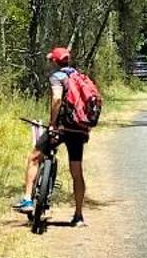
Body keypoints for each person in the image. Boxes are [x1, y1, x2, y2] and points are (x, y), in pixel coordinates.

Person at [16, 46, 92, 227]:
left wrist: (52, 123)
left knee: (34, 157)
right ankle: (79, 215)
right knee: (76, 172)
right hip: (79, 130)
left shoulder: (57, 77)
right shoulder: (79, 77)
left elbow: (57, 99)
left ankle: (27, 200)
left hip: (61, 128)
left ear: (55, 62)